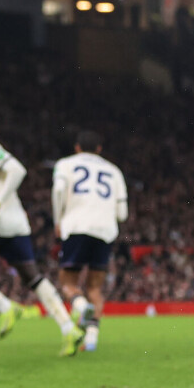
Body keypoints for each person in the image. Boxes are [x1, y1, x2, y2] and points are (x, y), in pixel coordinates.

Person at [0, 110, 83, 355]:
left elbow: (17, 171)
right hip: (16, 223)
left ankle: (5, 306)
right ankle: (68, 328)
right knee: (33, 277)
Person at [51, 130, 128, 352]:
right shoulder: (114, 171)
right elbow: (122, 214)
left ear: (77, 147)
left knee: (68, 283)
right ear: (99, 149)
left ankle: (80, 305)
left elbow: (58, 191)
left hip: (76, 226)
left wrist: (58, 220)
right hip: (104, 231)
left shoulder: (65, 164)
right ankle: (92, 339)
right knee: (95, 287)